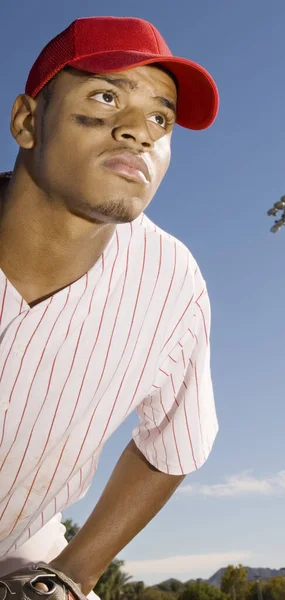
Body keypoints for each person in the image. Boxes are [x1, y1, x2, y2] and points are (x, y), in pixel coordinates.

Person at [0, 16, 219, 597]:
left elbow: (175, 441)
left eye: (161, 118)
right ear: (27, 121)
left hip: (20, 548)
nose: (139, 132)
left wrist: (71, 575)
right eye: (106, 96)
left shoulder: (172, 282)